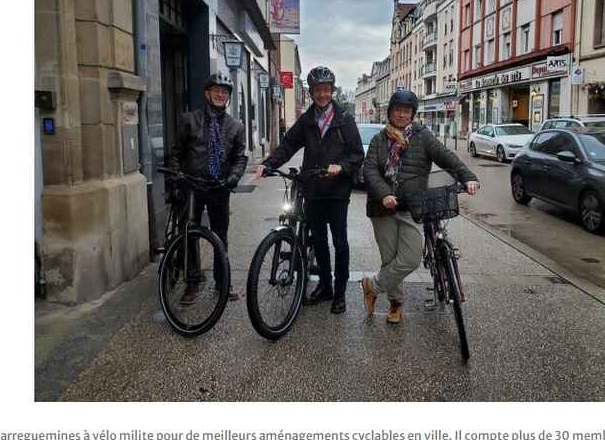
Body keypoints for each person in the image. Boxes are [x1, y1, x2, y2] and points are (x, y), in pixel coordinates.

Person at [360, 89, 479, 323]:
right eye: (398, 110)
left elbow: (446, 156)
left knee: (411, 258)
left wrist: (467, 176)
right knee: (389, 257)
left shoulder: (422, 136)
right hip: (382, 207)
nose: (402, 115)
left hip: (412, 207)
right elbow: (370, 170)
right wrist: (384, 193)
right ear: (390, 112)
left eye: (406, 111)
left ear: (412, 114)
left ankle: (372, 286)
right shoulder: (378, 140)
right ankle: (396, 303)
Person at [255, 66, 364, 314]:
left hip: (337, 192)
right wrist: (268, 163)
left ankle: (340, 292)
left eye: (326, 90)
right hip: (313, 189)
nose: (322, 95)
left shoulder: (344, 119)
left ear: (332, 91)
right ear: (312, 92)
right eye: (317, 90)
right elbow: (288, 145)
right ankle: (324, 285)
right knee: (319, 242)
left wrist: (342, 166)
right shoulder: (307, 120)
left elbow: (357, 155)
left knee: (340, 242)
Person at [167, 72, 247, 303]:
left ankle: (222, 281)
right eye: (216, 91)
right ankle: (192, 282)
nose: (220, 95)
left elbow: (239, 158)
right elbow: (176, 154)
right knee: (189, 234)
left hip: (219, 187)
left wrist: (234, 176)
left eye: (225, 92)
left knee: (220, 236)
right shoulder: (189, 120)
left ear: (229, 97)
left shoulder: (236, 126)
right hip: (192, 185)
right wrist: (175, 182)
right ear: (207, 93)